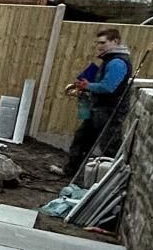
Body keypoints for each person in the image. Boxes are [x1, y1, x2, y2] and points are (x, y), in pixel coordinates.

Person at [56, 27, 132, 179]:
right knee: (82, 139)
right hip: (99, 109)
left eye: (103, 42)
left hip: (110, 111)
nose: (99, 46)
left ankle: (108, 179)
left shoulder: (117, 62)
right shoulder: (110, 60)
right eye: (98, 43)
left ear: (115, 42)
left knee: (109, 146)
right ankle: (71, 172)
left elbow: (109, 87)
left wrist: (88, 86)